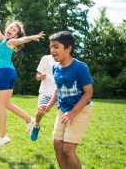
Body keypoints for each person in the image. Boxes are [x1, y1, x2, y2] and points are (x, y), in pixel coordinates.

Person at [0, 1, 44, 148]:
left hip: (5, 72)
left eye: (14, 30)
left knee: (0, 105)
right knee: (6, 104)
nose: (11, 30)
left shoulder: (11, 42)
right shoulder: (3, 40)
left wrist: (32, 37)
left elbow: (22, 40)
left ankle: (2, 136)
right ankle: (29, 120)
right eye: (10, 28)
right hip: (9, 72)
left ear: (15, 35)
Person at [40, 31, 93, 169]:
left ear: (68, 48)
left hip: (80, 110)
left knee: (68, 149)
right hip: (63, 110)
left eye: (56, 47)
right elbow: (58, 90)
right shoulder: (55, 67)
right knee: (57, 144)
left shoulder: (80, 67)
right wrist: (49, 105)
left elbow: (88, 93)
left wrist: (72, 113)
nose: (52, 50)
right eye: (51, 47)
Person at [30, 55, 57, 141]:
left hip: (59, 93)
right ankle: (36, 125)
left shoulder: (65, 60)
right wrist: (40, 76)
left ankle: (58, 135)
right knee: (41, 111)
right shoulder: (45, 58)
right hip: (45, 92)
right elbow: (37, 75)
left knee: (63, 115)